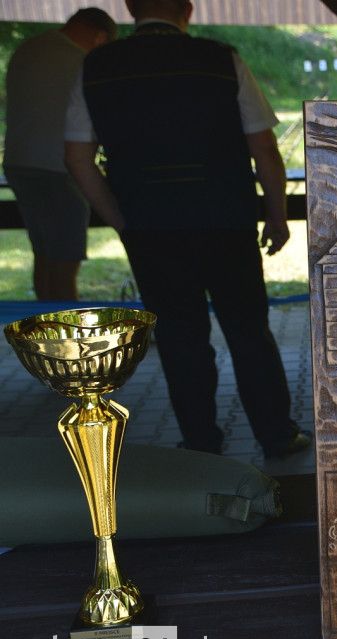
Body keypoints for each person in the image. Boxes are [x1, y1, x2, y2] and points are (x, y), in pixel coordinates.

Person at [64, 0, 309, 458]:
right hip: (227, 219)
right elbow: (263, 148)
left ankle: (200, 444)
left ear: (131, 8)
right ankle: (277, 435)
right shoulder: (221, 59)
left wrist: (121, 220)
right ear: (188, 10)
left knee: (180, 338)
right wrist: (276, 214)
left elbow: (77, 158)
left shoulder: (96, 67)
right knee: (249, 330)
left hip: (151, 225)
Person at [3, 8, 117, 301]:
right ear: (100, 37)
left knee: (44, 254)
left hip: (19, 162)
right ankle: (65, 326)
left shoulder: (28, 49)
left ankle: (45, 319)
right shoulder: (81, 61)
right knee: (66, 262)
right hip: (59, 166)